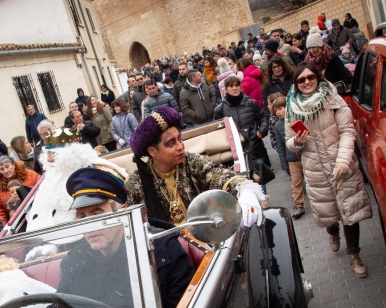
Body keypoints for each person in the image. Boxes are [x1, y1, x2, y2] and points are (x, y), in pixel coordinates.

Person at [36, 167, 196, 308]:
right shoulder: (76, 260)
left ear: (123, 212)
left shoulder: (160, 250)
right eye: (82, 217)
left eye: (97, 214)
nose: (90, 226)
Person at [285, 62, 372, 278]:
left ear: (318, 78)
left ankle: (354, 254)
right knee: (330, 213)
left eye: (310, 77)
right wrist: (296, 142)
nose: (307, 82)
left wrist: (343, 161)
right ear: (296, 84)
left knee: (350, 212)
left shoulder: (332, 98)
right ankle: (332, 231)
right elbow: (287, 142)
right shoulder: (292, 107)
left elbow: (347, 130)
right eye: (301, 79)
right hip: (315, 168)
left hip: (341, 163)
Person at [125, 106, 265, 227]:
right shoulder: (136, 183)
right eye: (171, 143)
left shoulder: (191, 162)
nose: (180, 147)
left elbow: (216, 174)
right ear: (152, 151)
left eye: (180, 139)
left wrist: (244, 190)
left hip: (206, 243)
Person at [213, 76, 270, 193]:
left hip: (255, 147)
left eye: (237, 85)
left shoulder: (251, 103)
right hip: (235, 152)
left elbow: (263, 116)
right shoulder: (220, 109)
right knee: (241, 185)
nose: (234, 88)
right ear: (226, 89)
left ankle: (264, 207)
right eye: (231, 86)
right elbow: (217, 131)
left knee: (259, 182)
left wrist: (261, 131)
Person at [271, 96, 305, 219]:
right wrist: (284, 164)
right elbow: (280, 147)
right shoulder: (278, 126)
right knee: (296, 183)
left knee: (312, 180)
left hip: (304, 155)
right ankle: (298, 205)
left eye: (281, 108)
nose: (278, 112)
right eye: (276, 110)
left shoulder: (297, 118)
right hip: (291, 159)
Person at [0, 155, 41, 225]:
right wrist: (5, 228)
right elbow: (1, 211)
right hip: (16, 224)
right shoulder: (0, 186)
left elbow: (43, 189)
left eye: (7, 166)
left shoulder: (30, 174)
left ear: (14, 165)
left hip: (37, 216)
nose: (5, 171)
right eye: (2, 169)